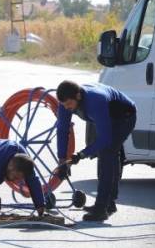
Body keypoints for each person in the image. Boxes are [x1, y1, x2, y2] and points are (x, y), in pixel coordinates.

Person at [55, 80, 137, 222]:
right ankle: (108, 204)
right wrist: (62, 160)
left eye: (69, 104)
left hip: (124, 116)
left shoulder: (95, 101)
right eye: (64, 105)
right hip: (106, 115)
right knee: (106, 154)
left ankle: (101, 209)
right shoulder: (65, 104)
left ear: (78, 96)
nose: (67, 108)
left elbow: (105, 139)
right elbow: (62, 129)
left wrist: (81, 155)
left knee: (107, 153)